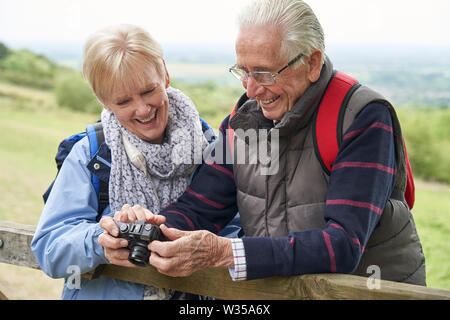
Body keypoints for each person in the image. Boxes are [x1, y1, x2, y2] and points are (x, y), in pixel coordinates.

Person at [102, 0, 426, 286]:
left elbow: (342, 246)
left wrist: (226, 253)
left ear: (312, 63)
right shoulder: (241, 123)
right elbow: (200, 207)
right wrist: (147, 231)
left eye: (265, 74)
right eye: (243, 72)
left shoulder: (363, 117)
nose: (252, 90)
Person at [30, 24, 224, 299]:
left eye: (148, 91)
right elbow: (49, 249)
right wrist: (102, 240)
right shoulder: (91, 153)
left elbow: (232, 235)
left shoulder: (212, 151)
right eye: (123, 101)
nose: (143, 110)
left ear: (166, 76)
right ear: (104, 101)